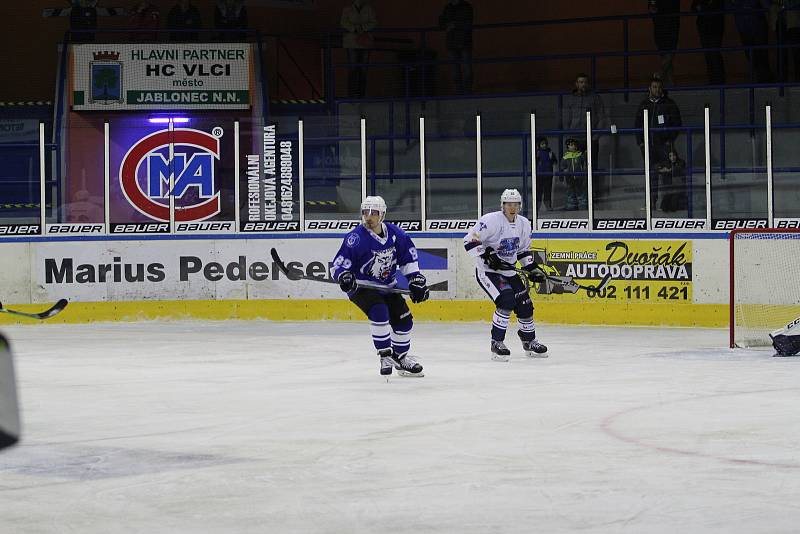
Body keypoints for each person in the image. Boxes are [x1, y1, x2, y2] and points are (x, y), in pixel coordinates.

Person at [330, 196, 429, 377]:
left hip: (387, 286)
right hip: (362, 287)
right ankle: (385, 355)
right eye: (365, 213)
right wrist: (343, 276)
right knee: (379, 311)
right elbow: (338, 265)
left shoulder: (397, 234)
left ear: (382, 214)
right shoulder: (355, 238)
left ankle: (400, 359)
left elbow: (408, 261)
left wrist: (416, 280)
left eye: (373, 213)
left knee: (404, 321)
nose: (368, 217)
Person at [463, 189, 548, 362]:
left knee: (525, 305)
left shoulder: (524, 223)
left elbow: (523, 251)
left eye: (516, 204)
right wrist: (488, 255)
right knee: (506, 300)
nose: (512, 207)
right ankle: (497, 342)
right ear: (502, 205)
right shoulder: (491, 220)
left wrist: (533, 269)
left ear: (520, 206)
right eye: (509, 204)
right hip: (489, 272)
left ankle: (529, 341)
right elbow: (469, 240)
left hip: (509, 271)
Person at [562, 73, 608, 193]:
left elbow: (601, 117)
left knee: (591, 167)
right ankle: (575, 195)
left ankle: (591, 195)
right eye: (580, 82)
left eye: (584, 82)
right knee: (573, 168)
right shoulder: (570, 99)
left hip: (590, 139)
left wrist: (595, 137)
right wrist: (569, 137)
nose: (582, 84)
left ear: (588, 84)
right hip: (574, 140)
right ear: (576, 84)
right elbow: (566, 118)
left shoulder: (595, 98)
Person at [634, 77, 682, 176]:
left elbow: (677, 123)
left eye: (659, 87)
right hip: (648, 146)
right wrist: (640, 142)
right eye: (654, 87)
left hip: (664, 146)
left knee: (667, 173)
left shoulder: (669, 104)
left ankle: (668, 191)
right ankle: (652, 192)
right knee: (651, 174)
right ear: (649, 88)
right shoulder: (644, 104)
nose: (657, 90)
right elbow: (638, 124)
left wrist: (669, 140)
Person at [729, 0, 774, 82]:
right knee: (752, 56)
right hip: (745, 27)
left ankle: (764, 80)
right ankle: (760, 79)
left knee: (760, 56)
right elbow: (728, 6)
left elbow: (767, 5)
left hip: (756, 26)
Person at [341, 0, 377, 98]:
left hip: (365, 43)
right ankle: (351, 95)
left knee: (363, 70)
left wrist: (362, 28)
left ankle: (361, 96)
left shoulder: (369, 9)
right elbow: (343, 22)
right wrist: (354, 28)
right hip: (352, 43)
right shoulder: (347, 9)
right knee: (352, 70)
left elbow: (374, 22)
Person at [438, 0, 474, 94]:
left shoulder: (465, 6)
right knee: (456, 70)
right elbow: (441, 24)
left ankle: (467, 92)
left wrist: (454, 25)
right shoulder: (448, 7)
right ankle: (460, 92)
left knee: (466, 69)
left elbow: (468, 23)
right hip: (453, 43)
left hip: (463, 42)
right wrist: (448, 25)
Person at [692, 0, 726, 84]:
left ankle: (718, 81)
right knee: (709, 55)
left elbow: (717, 7)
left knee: (714, 54)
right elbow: (693, 7)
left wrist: (702, 8)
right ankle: (713, 81)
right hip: (704, 27)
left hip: (714, 27)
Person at [648, 0, 681, 85]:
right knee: (665, 55)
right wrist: (652, 8)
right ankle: (671, 83)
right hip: (660, 25)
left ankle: (660, 74)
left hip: (671, 23)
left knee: (669, 52)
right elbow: (651, 6)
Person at [559, 138, 588, 211]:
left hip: (580, 178)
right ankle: (571, 205)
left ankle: (582, 205)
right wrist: (562, 177)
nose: (573, 147)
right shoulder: (565, 157)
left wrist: (584, 175)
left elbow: (585, 166)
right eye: (571, 145)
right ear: (568, 146)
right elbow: (562, 168)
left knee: (580, 191)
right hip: (569, 178)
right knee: (570, 192)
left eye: (574, 145)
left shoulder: (580, 155)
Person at [535, 137, 558, 210]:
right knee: (538, 191)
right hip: (539, 175)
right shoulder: (537, 153)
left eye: (545, 144)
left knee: (548, 191)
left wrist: (552, 159)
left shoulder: (550, 152)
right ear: (539, 145)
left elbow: (555, 161)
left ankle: (548, 205)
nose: (544, 145)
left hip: (548, 175)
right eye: (542, 144)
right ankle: (537, 206)